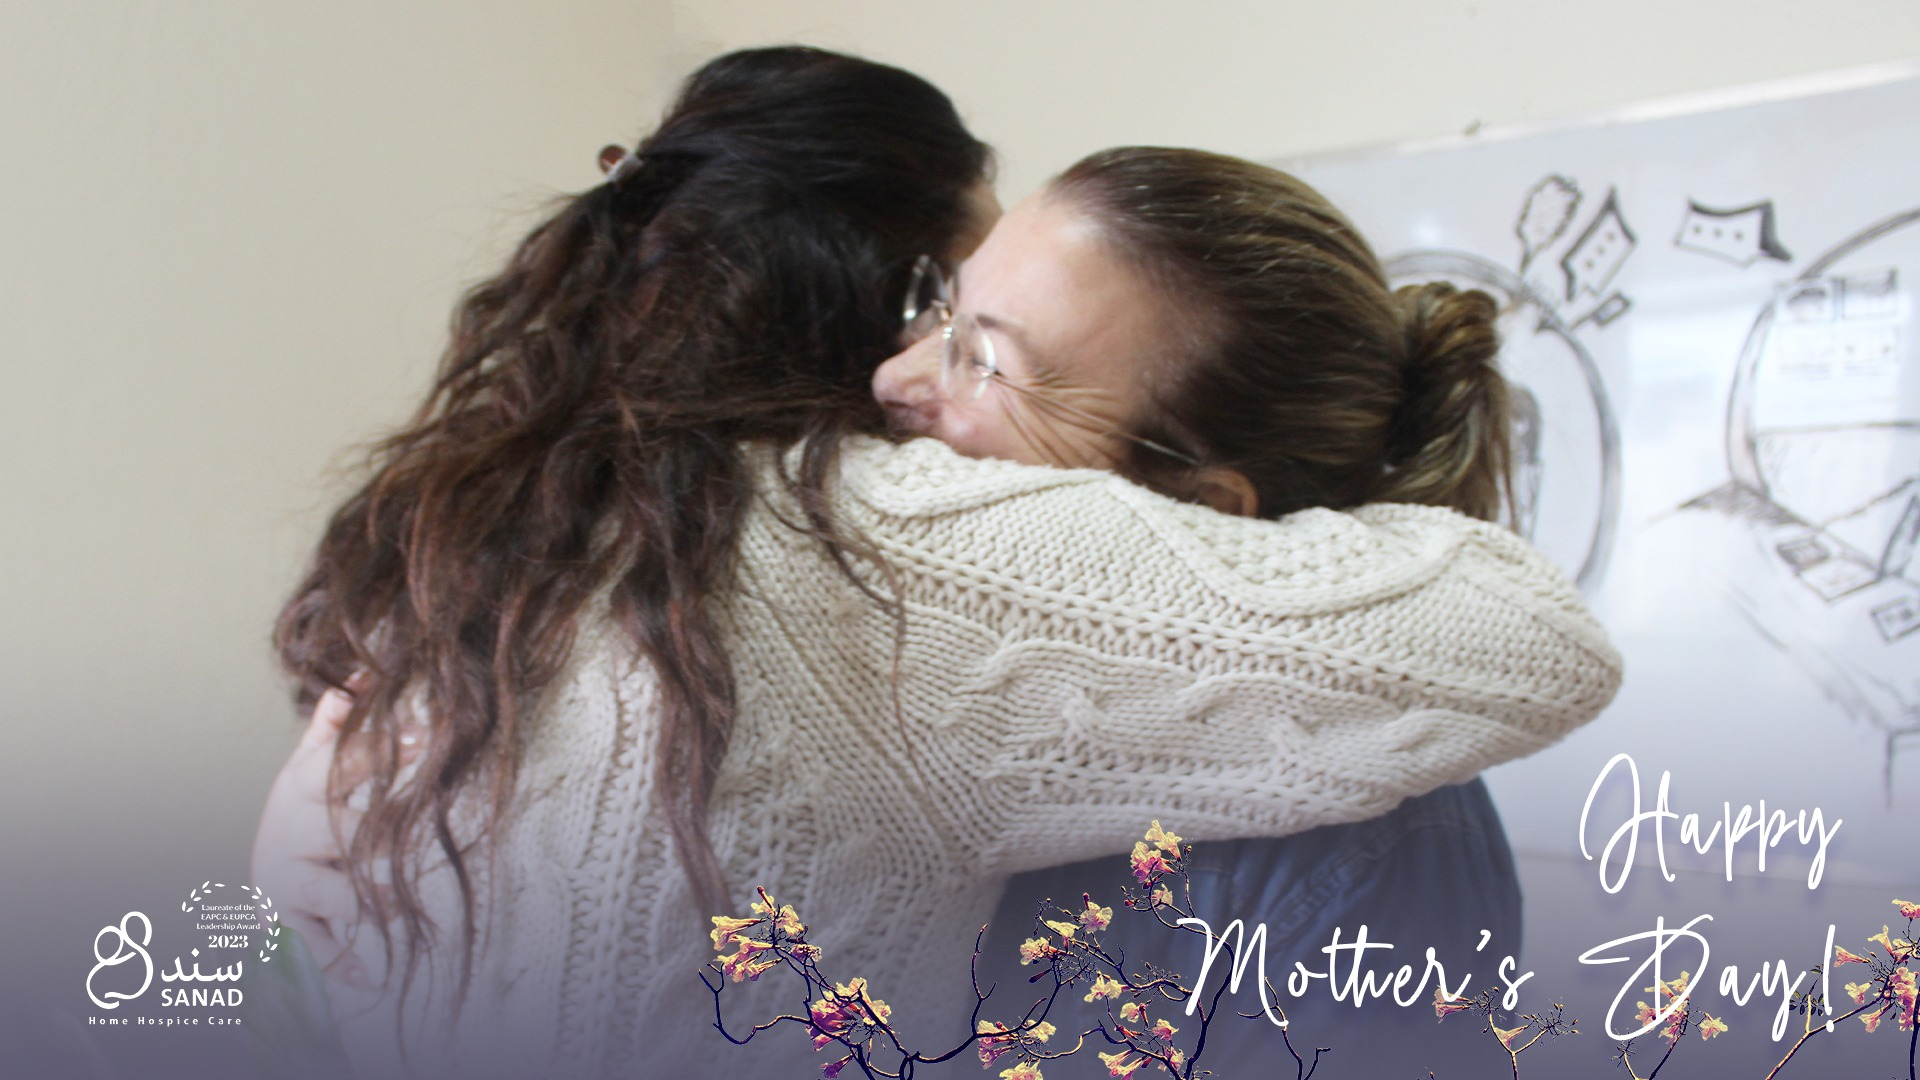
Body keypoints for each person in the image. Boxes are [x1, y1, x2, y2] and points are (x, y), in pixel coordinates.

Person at [253, 51, 1620, 1080]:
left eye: (980, 352)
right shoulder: (836, 558)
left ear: (1200, 506)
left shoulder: (501, 553)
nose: (896, 378)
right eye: (932, 308)